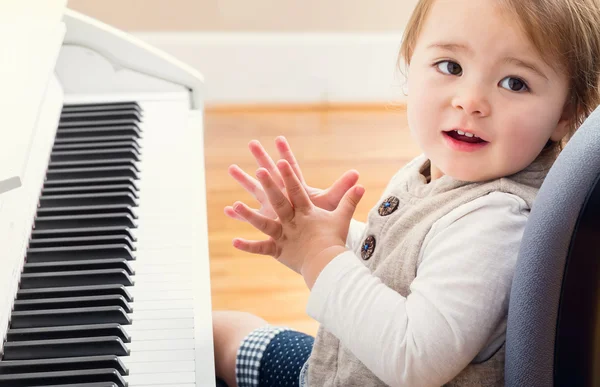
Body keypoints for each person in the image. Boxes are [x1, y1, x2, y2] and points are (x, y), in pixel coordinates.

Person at [212, 0, 600, 385]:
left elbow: (413, 359)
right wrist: (326, 233)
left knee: (220, 339)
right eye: (451, 66)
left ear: (565, 114)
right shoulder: (440, 171)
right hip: (338, 368)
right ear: (410, 65)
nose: (471, 100)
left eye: (514, 82)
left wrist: (319, 256)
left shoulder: (495, 222)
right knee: (223, 335)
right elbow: (407, 269)